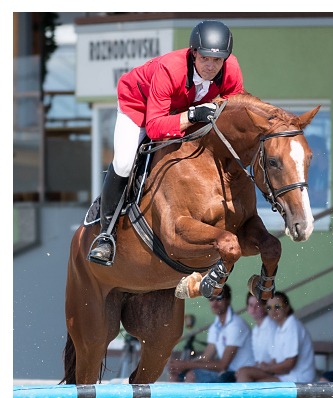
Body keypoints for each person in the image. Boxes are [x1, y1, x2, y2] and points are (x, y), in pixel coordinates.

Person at [88, 20, 244, 266]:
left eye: (217, 61)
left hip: (183, 108)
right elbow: (155, 127)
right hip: (138, 108)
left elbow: (234, 108)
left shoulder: (231, 69)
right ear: (193, 53)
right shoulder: (169, 69)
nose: (211, 66)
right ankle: (106, 235)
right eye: (205, 59)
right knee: (125, 161)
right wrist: (191, 116)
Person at [166, 284, 254, 398]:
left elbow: (222, 365)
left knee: (191, 376)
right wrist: (181, 365)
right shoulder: (217, 325)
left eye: (219, 298)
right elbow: (206, 356)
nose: (214, 302)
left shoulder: (235, 325)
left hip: (236, 376)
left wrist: (187, 365)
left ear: (228, 300)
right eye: (211, 298)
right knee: (175, 375)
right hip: (224, 373)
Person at [236, 291, 316, 384]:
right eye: (269, 308)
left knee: (250, 380)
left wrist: (267, 368)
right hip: (286, 376)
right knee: (244, 372)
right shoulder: (280, 328)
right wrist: (265, 366)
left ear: (287, 308)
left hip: (299, 379)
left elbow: (290, 363)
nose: (273, 311)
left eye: (277, 307)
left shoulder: (292, 326)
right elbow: (275, 360)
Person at [245, 292, 277, 365]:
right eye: (251, 305)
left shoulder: (271, 326)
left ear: (265, 307)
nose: (253, 309)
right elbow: (258, 359)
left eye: (258, 305)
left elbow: (275, 358)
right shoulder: (255, 330)